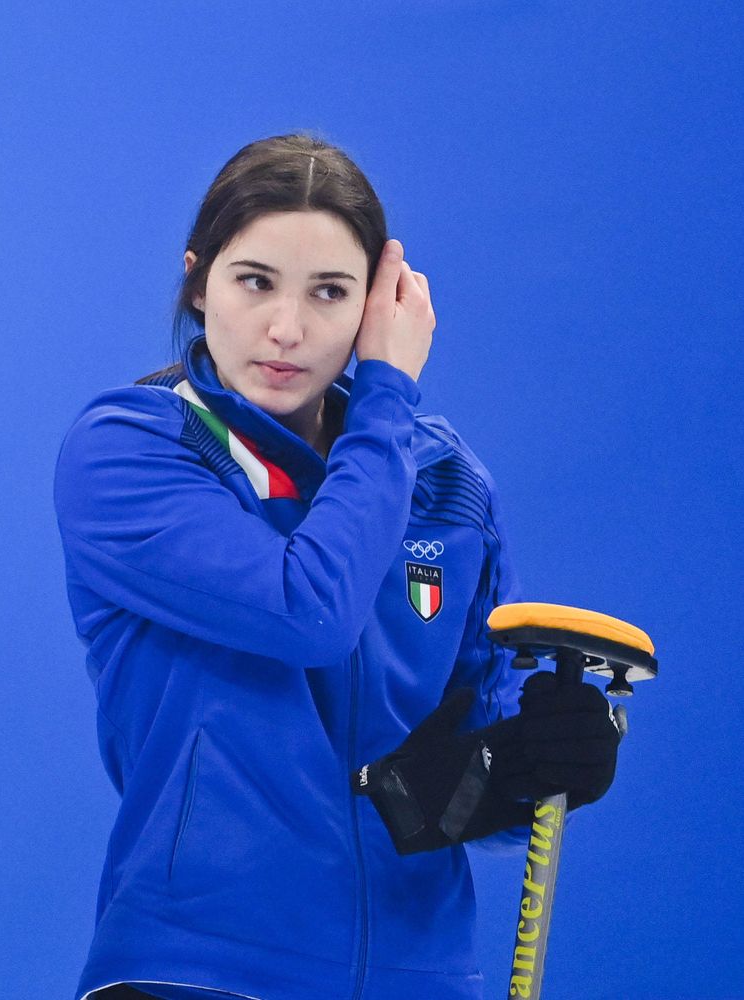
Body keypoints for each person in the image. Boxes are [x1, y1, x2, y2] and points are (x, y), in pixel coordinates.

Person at [52, 134, 620, 1000]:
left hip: (422, 975)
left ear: (373, 305)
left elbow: (457, 753)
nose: (288, 328)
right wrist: (388, 389)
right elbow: (307, 611)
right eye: (255, 281)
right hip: (197, 972)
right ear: (198, 280)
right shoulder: (134, 448)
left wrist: (537, 765)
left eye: (330, 293)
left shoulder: (443, 479)